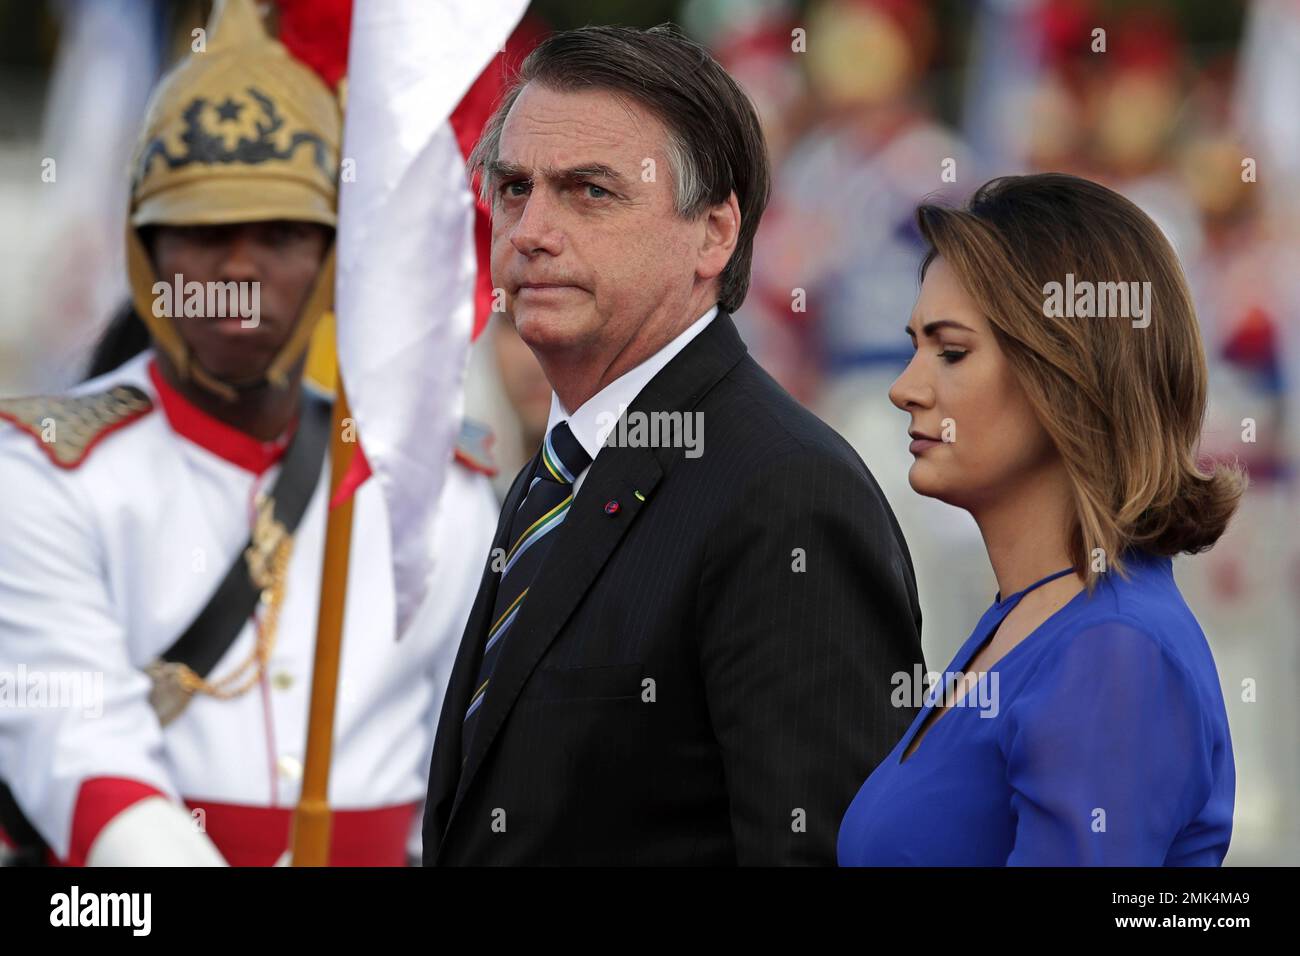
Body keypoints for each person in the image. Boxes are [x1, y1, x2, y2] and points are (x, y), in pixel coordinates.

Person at [0, 0, 498, 866]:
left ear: (336, 254)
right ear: (143, 253)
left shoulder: (433, 479)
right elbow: (77, 755)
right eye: (202, 232)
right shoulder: (43, 473)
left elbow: (474, 774)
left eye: (278, 236)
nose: (238, 269)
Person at [422, 24, 924, 866]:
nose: (531, 230)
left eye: (589, 192)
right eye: (513, 188)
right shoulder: (558, 468)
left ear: (713, 235)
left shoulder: (786, 496)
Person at [838, 172, 1242, 866]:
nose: (905, 389)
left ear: (1067, 372)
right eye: (913, 347)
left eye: (951, 351)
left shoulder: (1113, 651)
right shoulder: (1033, 615)